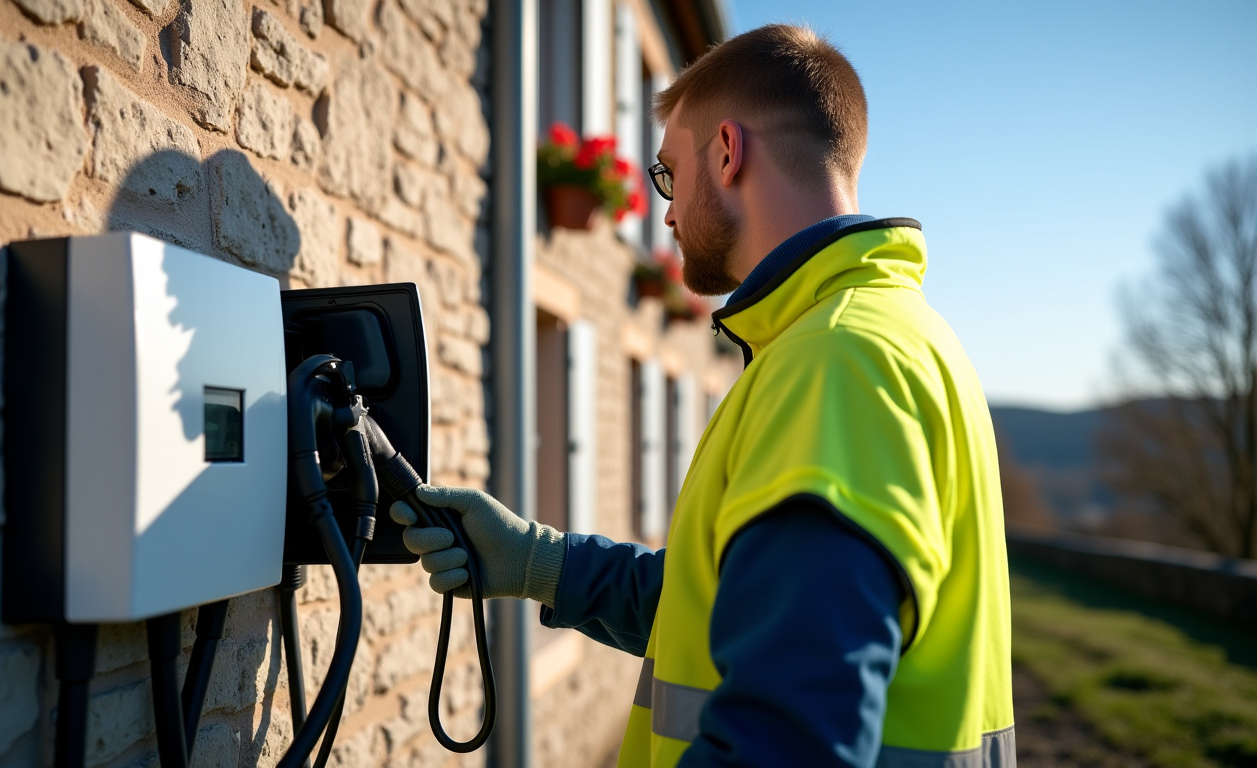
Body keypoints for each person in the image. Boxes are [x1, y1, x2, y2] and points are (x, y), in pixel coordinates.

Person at [391, 23, 1015, 768]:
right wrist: (537, 563)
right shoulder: (891, 333)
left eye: (667, 174)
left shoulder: (835, 365)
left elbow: (784, 745)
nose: (666, 213)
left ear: (726, 151)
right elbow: (731, 603)